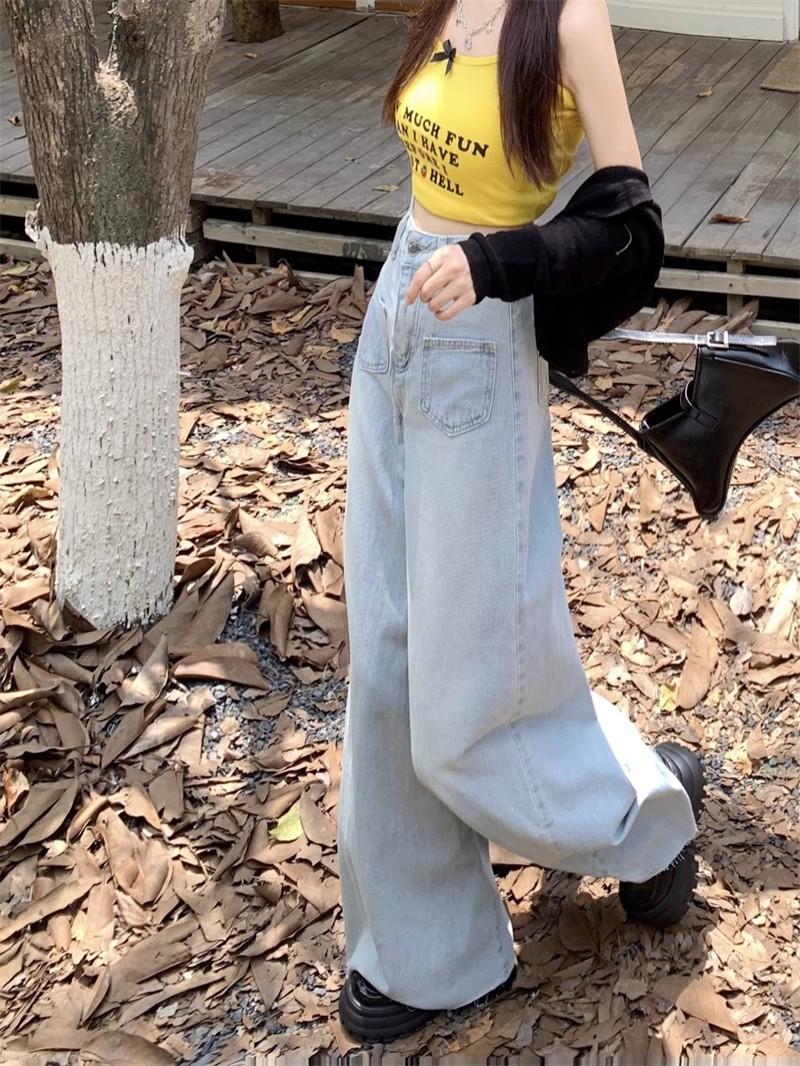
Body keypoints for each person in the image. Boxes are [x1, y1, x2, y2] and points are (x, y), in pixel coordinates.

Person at [336, 0, 706, 1044]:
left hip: (477, 340)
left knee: (468, 685)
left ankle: (642, 814)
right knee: (386, 656)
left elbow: (632, 224)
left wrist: (502, 261)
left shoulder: (572, 20)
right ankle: (422, 951)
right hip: (399, 311)